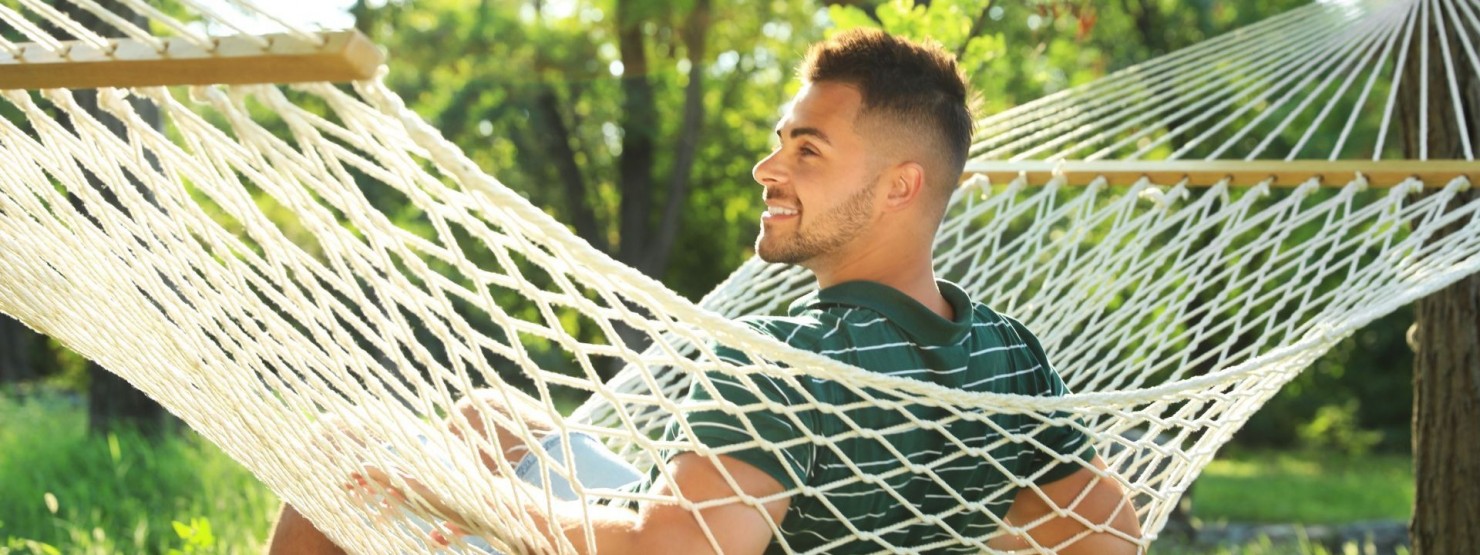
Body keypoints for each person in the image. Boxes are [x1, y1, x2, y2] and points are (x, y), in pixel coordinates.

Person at [268, 29, 1142, 554]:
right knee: (493, 419)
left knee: (351, 440)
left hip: (693, 535)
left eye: (807, 150)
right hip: (747, 519)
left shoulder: (791, 357)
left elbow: (672, 551)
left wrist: (457, 494)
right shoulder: (1006, 348)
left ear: (901, 185)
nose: (769, 167)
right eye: (779, 142)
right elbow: (1108, 534)